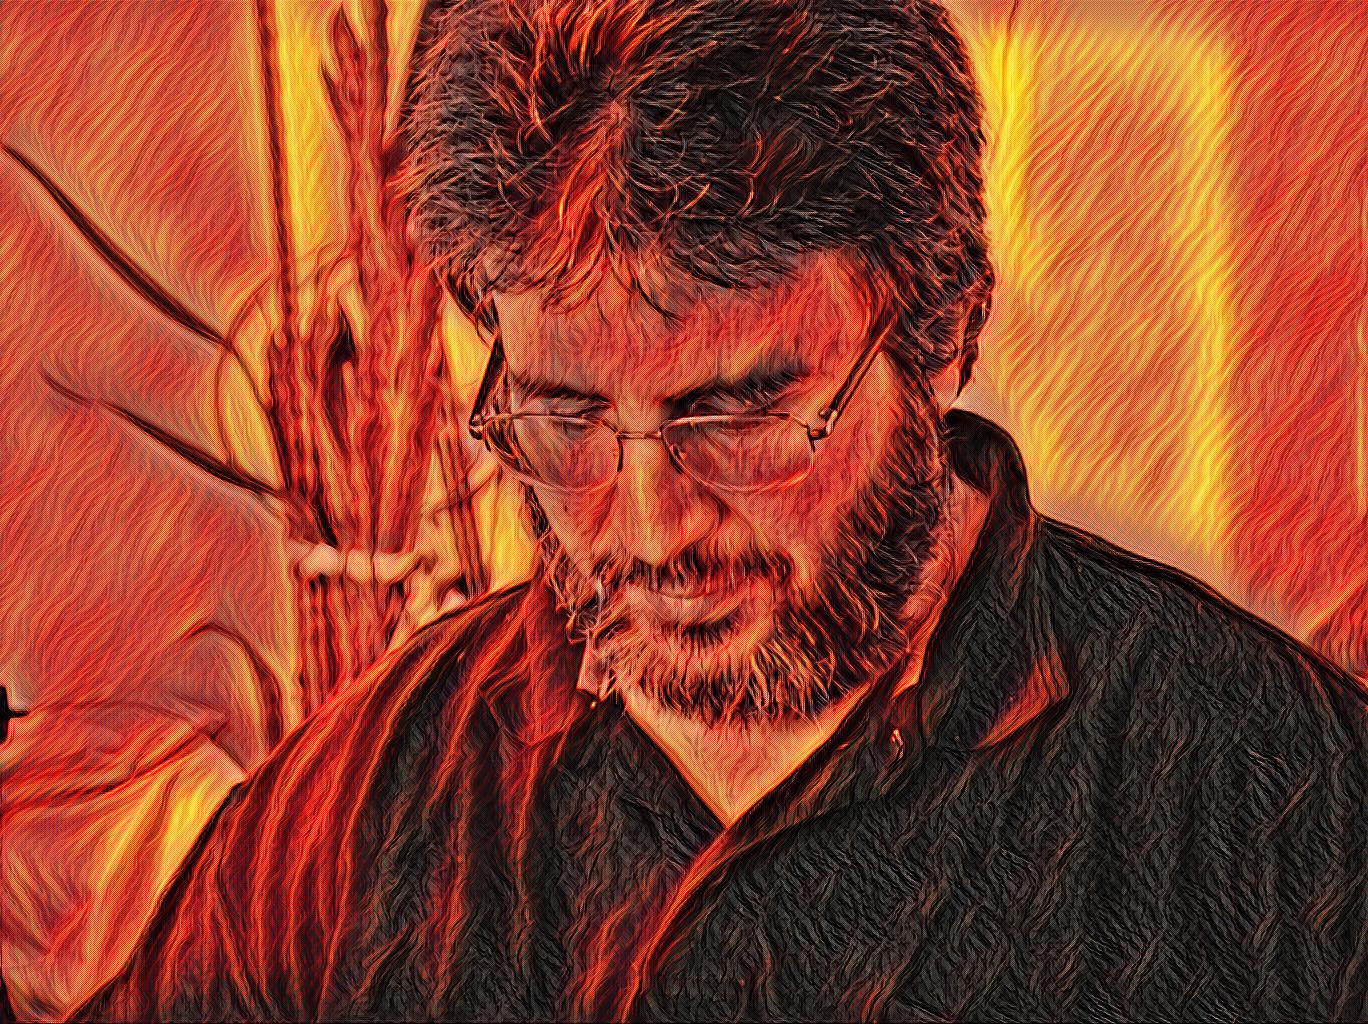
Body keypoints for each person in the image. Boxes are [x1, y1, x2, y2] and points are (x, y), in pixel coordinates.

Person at [71, 0, 1368, 1021]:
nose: (651, 530)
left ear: (943, 331)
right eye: (568, 419)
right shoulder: (365, 807)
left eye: (739, 415)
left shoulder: (1280, 796)